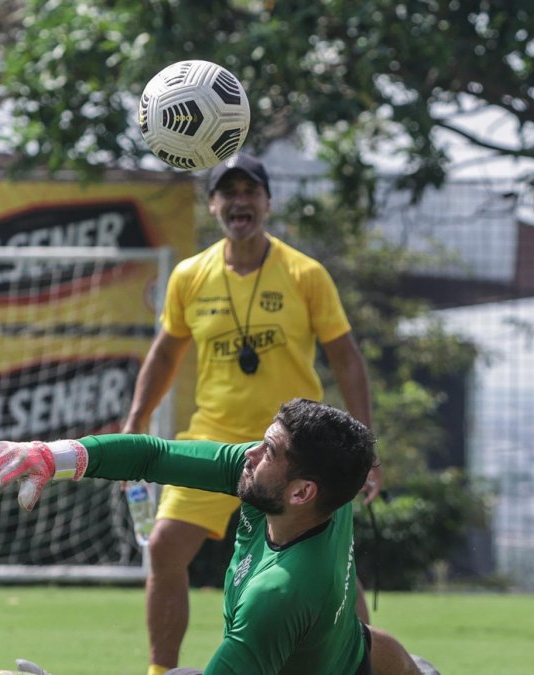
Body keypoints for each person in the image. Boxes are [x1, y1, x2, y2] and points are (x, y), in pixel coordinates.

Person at [121, 151, 380, 674]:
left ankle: (365, 666)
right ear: (212, 205)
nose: (240, 202)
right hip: (217, 440)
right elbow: (166, 352)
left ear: (267, 202)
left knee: (334, 576)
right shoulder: (190, 276)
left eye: (251, 192)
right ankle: (161, 671)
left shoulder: (305, 274)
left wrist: (365, 453)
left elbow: (347, 359)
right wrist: (134, 425)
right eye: (228, 192)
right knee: (165, 548)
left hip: (295, 450)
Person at [0, 399, 427, 675]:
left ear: (303, 492)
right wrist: (48, 455)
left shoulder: (278, 595)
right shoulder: (319, 495)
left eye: (270, 451)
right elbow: (153, 456)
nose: (251, 453)